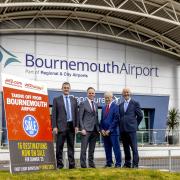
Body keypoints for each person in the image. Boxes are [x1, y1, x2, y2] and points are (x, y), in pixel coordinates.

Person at [52, 82, 78, 169]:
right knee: (59, 147)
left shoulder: (74, 100)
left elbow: (76, 114)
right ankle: (60, 165)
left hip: (71, 126)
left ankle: (72, 165)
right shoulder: (56, 99)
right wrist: (54, 126)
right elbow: (54, 114)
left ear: (70, 89)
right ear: (62, 89)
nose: (66, 89)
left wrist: (76, 126)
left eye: (67, 87)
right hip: (60, 127)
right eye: (64, 87)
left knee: (71, 147)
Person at [119, 88, 143, 168]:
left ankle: (135, 164)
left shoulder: (135, 103)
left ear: (130, 93)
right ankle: (127, 163)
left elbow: (140, 115)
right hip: (123, 130)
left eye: (127, 92)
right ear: (122, 94)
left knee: (134, 148)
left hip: (131, 129)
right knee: (126, 148)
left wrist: (135, 125)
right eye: (124, 92)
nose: (126, 94)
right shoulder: (120, 105)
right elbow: (121, 117)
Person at [79, 87, 99, 168]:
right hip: (86, 130)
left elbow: (96, 117)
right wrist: (82, 128)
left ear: (94, 94)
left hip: (94, 130)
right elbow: (80, 117)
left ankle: (91, 164)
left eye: (92, 93)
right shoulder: (83, 103)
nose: (91, 94)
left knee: (92, 149)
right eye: (89, 93)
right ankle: (83, 165)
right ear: (87, 94)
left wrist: (98, 128)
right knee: (83, 149)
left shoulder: (96, 104)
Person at [100, 91, 121, 168]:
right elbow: (101, 120)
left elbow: (116, 119)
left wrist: (109, 130)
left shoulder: (116, 106)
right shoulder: (103, 107)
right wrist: (102, 129)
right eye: (106, 98)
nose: (107, 99)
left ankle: (118, 164)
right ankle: (109, 163)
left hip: (113, 132)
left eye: (109, 97)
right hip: (105, 133)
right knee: (107, 149)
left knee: (116, 149)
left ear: (112, 98)